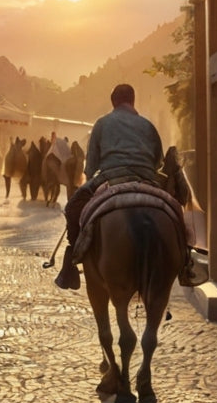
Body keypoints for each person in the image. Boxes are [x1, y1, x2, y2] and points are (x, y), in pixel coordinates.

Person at [54, 84, 184, 290]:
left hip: (110, 177)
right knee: (176, 213)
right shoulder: (148, 126)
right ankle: (186, 265)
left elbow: (91, 166)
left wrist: (90, 181)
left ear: (113, 102)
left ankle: (72, 262)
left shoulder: (102, 124)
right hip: (146, 179)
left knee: (72, 209)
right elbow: (158, 162)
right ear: (133, 101)